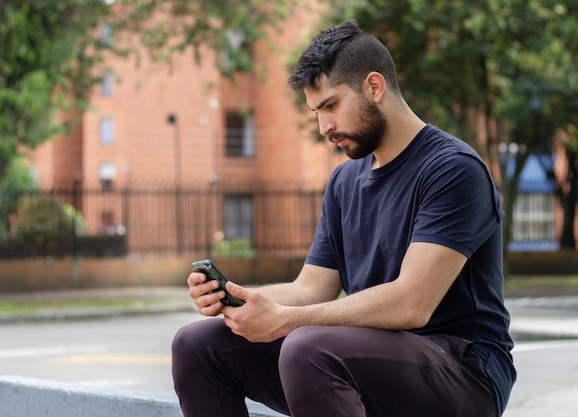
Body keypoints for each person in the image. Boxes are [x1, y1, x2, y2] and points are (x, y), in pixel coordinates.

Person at [172, 19, 516, 417]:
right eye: (316, 112)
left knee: (308, 347)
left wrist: (286, 321)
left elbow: (412, 304)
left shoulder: (453, 169)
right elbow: (311, 289)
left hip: (464, 370)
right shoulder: (344, 181)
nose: (324, 127)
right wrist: (239, 298)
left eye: (331, 106)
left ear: (374, 87)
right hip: (365, 356)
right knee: (197, 344)